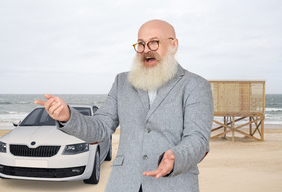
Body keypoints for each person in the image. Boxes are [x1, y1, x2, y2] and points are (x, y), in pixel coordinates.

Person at [35, 19, 214, 192]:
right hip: (123, 183)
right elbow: (100, 128)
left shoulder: (196, 85)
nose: (146, 50)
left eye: (154, 43)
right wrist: (68, 116)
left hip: (175, 184)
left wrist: (176, 157)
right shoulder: (122, 82)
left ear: (174, 45)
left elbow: (198, 138)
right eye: (141, 44)